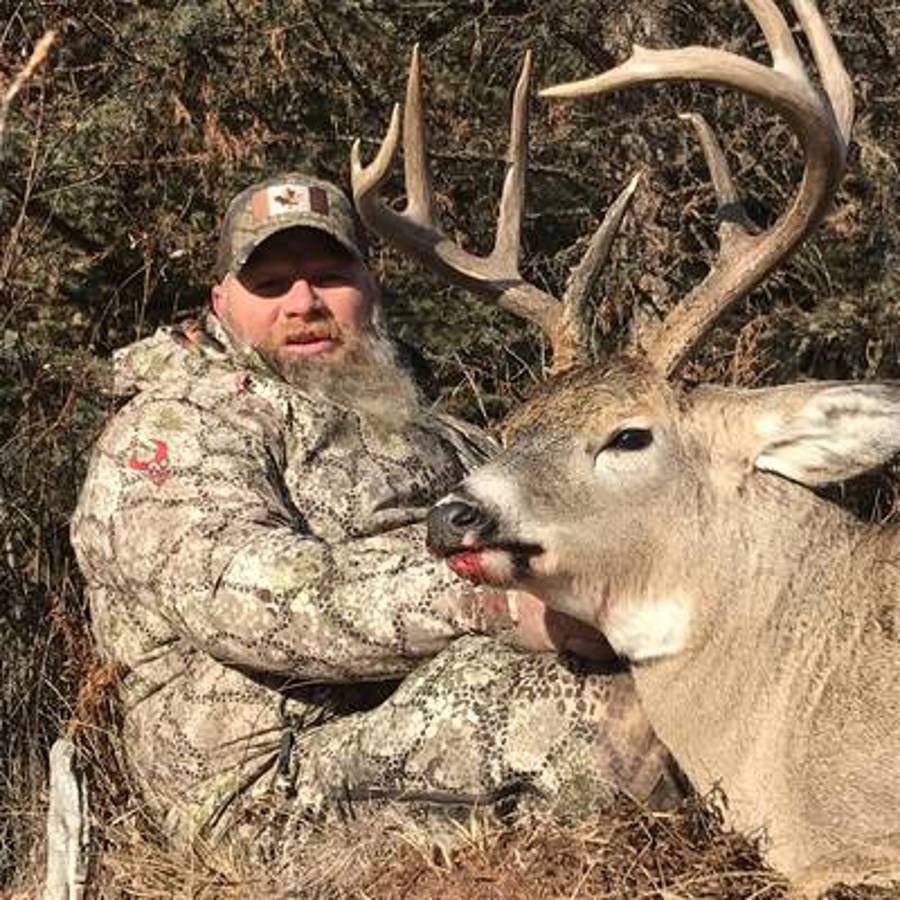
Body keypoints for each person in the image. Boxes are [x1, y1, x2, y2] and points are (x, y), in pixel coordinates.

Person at [70, 174, 682, 853]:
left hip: (430, 698)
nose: (303, 303)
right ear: (221, 302)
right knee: (612, 721)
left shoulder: (432, 426)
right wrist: (502, 601)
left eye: (331, 276)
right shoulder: (174, 427)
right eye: (270, 284)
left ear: (370, 284)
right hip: (277, 785)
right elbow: (244, 598)